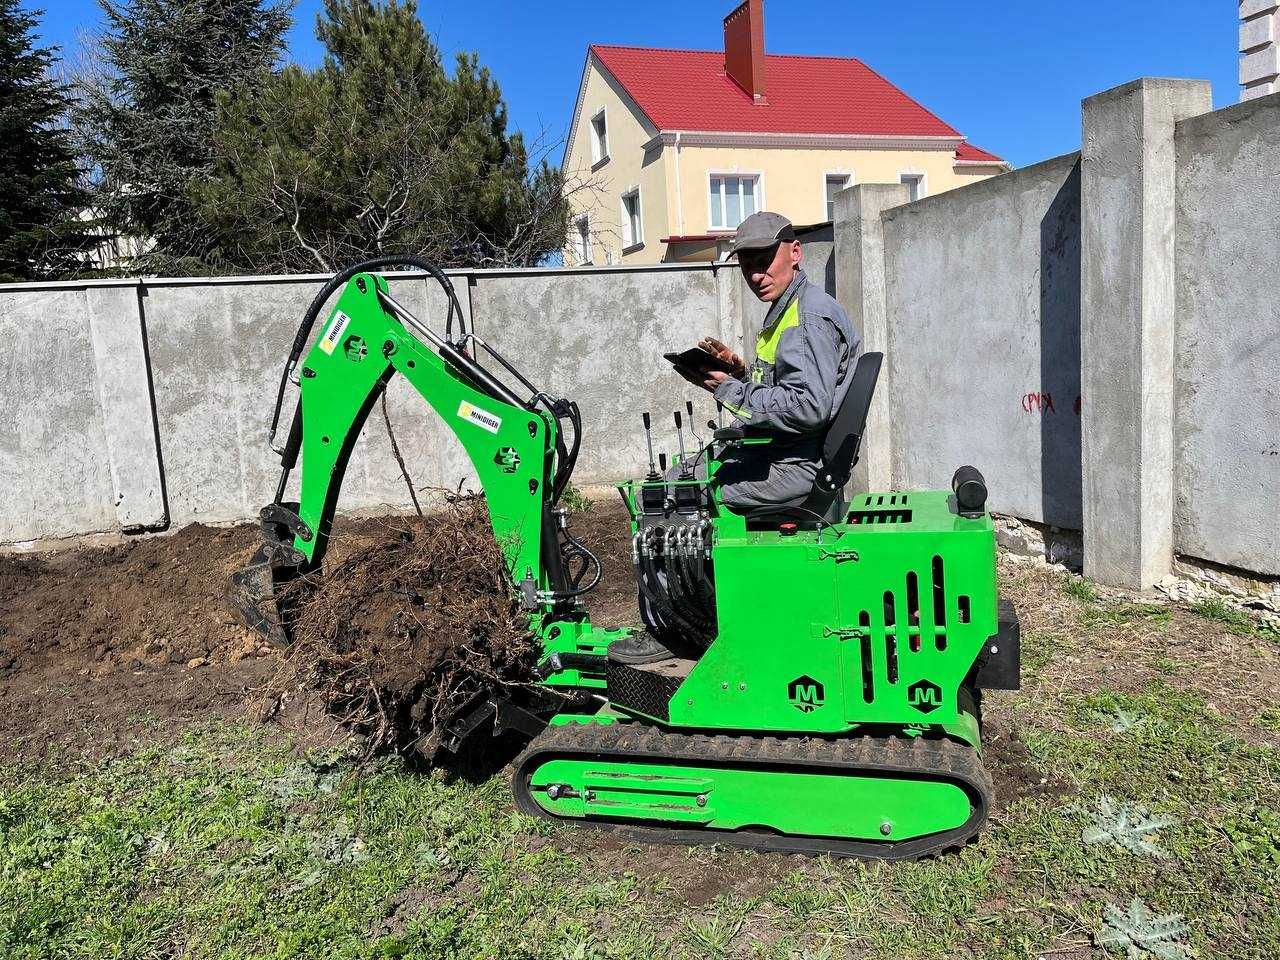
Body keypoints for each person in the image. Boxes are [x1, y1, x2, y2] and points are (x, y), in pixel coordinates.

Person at [678, 211, 862, 513]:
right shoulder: (789, 308)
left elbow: (806, 407)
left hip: (796, 466)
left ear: (795, 252)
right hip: (779, 452)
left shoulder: (808, 318)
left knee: (678, 496)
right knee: (678, 480)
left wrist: (729, 390)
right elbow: (786, 389)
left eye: (763, 261)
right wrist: (739, 374)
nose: (754, 275)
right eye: (746, 265)